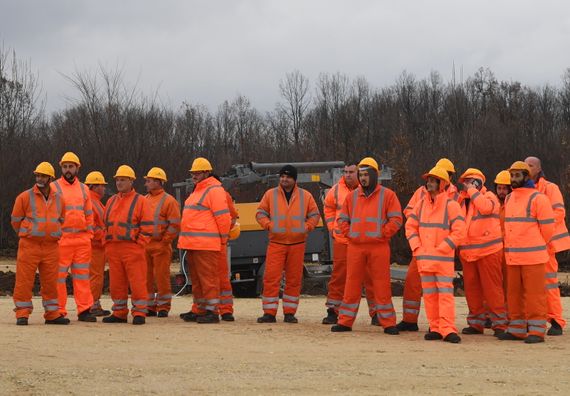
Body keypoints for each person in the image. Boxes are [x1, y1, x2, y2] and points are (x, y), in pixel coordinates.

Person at [331, 157, 402, 334]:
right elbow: (341, 219)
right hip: (355, 247)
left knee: (381, 284)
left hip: (378, 247)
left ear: (374, 175)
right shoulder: (352, 197)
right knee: (351, 284)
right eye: (360, 175)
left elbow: (396, 220)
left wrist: (382, 234)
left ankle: (388, 322)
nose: (362, 178)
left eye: (365, 175)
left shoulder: (388, 195)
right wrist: (350, 234)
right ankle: (345, 321)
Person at [397, 158, 460, 332]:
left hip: (441, 254)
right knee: (414, 283)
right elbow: (410, 213)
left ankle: (444, 327)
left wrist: (443, 247)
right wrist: (418, 242)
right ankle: (410, 320)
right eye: (430, 179)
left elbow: (457, 225)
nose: (431, 182)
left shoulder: (454, 195)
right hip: (423, 250)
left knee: (442, 291)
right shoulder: (421, 194)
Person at [498, 161, 555, 343]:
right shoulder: (508, 198)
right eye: (511, 176)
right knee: (513, 294)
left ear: (526, 177)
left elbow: (548, 230)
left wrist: (535, 245)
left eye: (516, 176)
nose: (513, 179)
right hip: (513, 256)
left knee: (534, 294)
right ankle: (517, 329)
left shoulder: (539, 199)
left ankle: (537, 331)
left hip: (533, 257)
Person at [255, 165, 320, 323]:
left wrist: (307, 227)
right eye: (282, 176)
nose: (284, 179)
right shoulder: (270, 194)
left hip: (297, 243)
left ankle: (289, 313)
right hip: (276, 243)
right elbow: (260, 213)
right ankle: (269, 313)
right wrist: (269, 225)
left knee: (294, 279)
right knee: (271, 278)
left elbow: (315, 215)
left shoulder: (306, 196)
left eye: (288, 177)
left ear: (294, 179)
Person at [11, 162, 69, 325]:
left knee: (51, 282)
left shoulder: (59, 199)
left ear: (50, 178)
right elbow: (15, 220)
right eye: (37, 175)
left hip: (51, 247)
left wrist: (51, 232)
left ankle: (52, 314)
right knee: (24, 281)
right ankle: (22, 313)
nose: (39, 178)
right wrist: (28, 233)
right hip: (29, 245)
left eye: (43, 176)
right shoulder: (24, 197)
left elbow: (61, 219)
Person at [322, 161, 377, 325]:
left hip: (363, 241)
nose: (347, 175)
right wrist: (332, 227)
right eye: (345, 172)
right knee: (339, 276)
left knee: (370, 277)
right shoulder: (336, 190)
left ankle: (376, 313)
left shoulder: (367, 190)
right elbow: (328, 208)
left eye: (351, 172)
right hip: (342, 241)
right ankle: (333, 311)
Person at [178, 158, 231, 324]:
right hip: (193, 244)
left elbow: (223, 217)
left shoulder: (213, 190)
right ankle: (200, 309)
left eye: (198, 172)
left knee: (208, 280)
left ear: (207, 172)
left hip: (206, 244)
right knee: (198, 281)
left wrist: (222, 240)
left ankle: (211, 311)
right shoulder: (198, 190)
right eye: (193, 173)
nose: (194, 175)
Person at [456, 168, 507, 336]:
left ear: (478, 182)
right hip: (468, 253)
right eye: (465, 182)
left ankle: (500, 325)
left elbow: (485, 208)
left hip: (488, 251)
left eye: (470, 181)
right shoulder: (462, 201)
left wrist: (472, 190)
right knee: (472, 290)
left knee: (493, 290)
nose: (466, 184)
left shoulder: (489, 196)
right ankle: (476, 324)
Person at [102, 165, 153, 325]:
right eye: (117, 180)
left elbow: (148, 226)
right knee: (116, 283)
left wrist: (140, 245)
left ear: (131, 181)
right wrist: (106, 243)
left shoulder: (141, 201)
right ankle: (119, 312)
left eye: (123, 180)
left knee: (137, 282)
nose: (119, 183)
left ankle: (139, 312)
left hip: (132, 248)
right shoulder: (111, 201)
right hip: (113, 248)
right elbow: (105, 224)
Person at [525, 156, 569, 336]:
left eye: (531, 165)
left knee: (549, 283)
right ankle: (536, 319)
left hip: (546, 243)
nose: (527, 168)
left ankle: (556, 320)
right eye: (525, 165)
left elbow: (559, 213)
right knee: (532, 285)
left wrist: (541, 230)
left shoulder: (550, 188)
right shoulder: (523, 189)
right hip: (529, 245)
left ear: (539, 169)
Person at [52, 152, 96, 322]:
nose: (68, 170)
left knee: (82, 277)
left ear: (78, 167)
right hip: (62, 239)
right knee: (59, 277)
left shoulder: (84, 188)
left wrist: (89, 235)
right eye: (65, 167)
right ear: (61, 167)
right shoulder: (54, 187)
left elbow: (89, 214)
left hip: (82, 240)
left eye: (71, 166)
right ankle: (59, 311)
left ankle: (84, 310)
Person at [143, 167, 180, 318]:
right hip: (146, 244)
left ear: (158, 182)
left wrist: (165, 241)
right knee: (147, 278)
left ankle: (163, 306)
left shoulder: (169, 201)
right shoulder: (144, 200)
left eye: (149, 180)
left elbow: (175, 224)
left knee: (162, 277)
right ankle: (150, 306)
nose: (146, 183)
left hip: (161, 245)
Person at [84, 171, 111, 316]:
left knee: (95, 276)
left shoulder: (96, 202)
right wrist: (104, 237)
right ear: (95, 186)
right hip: (95, 246)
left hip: (97, 246)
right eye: (102, 185)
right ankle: (93, 305)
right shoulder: (91, 202)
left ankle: (93, 303)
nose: (104, 188)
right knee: (95, 276)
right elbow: (92, 227)